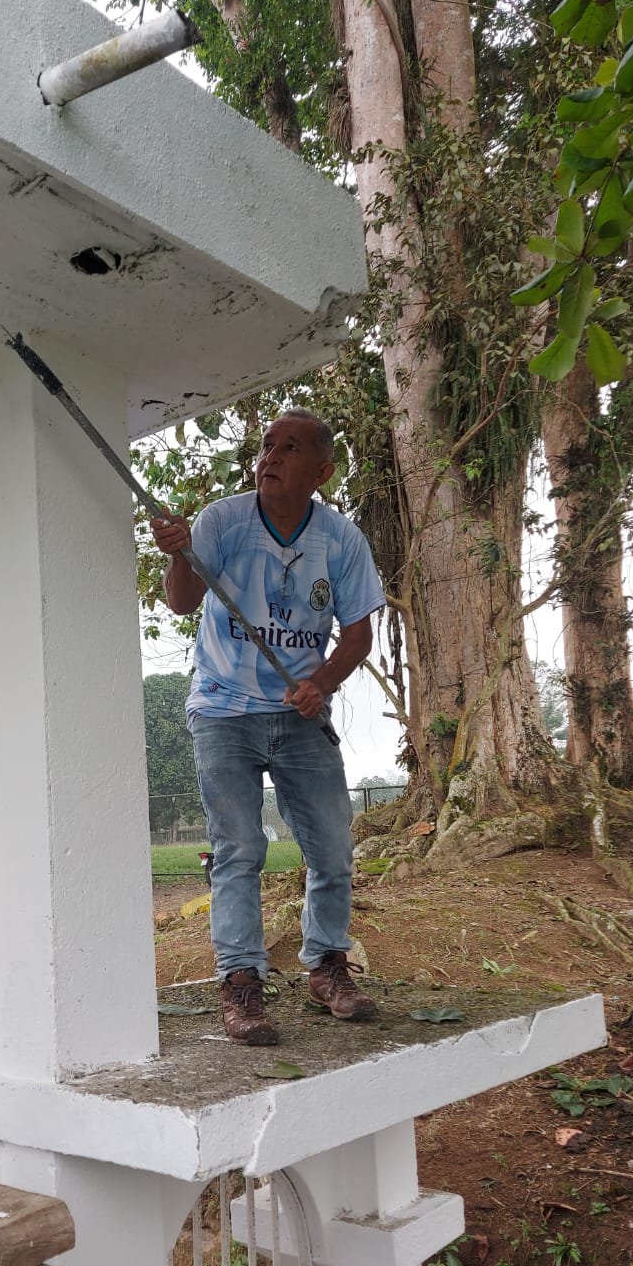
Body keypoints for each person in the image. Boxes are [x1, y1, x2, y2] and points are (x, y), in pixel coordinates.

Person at [152, 408, 385, 1047]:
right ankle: (241, 981)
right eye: (266, 446)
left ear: (322, 472)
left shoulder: (341, 540)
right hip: (223, 710)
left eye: (289, 448)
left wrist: (321, 683)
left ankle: (327, 965)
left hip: (299, 713)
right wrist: (179, 556)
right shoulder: (221, 522)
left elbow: (358, 634)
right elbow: (181, 600)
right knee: (239, 848)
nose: (271, 458)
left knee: (332, 846)